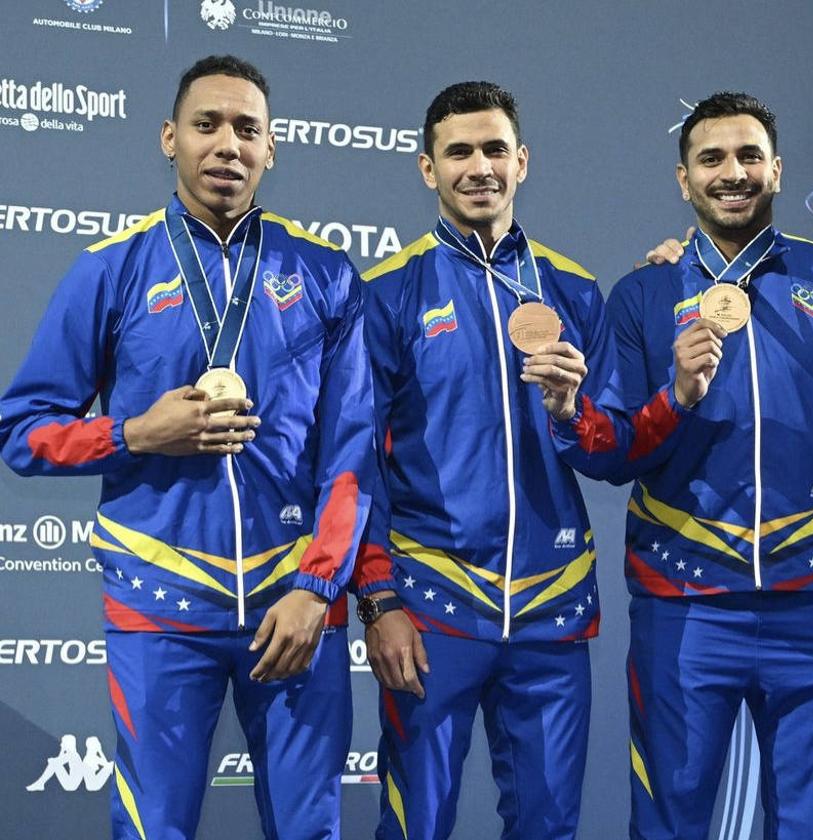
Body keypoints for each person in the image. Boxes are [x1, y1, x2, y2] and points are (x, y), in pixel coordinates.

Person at [0, 55, 375, 839]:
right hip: (159, 605)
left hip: (293, 602)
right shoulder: (109, 268)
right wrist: (136, 433)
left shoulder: (326, 273)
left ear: (273, 148)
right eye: (206, 125)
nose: (227, 144)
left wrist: (318, 588)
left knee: (310, 829)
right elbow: (24, 432)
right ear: (170, 138)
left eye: (248, 129)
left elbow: (352, 453)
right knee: (153, 828)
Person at [350, 81, 687, 840]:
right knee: (416, 825)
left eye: (495, 148)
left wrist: (575, 411)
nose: (479, 166)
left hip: (551, 608)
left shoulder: (574, 289)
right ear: (426, 169)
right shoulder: (388, 292)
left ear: (523, 161)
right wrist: (379, 603)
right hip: (432, 604)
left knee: (547, 826)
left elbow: (616, 453)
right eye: (458, 151)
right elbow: (355, 466)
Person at [568, 91, 813, 839]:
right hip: (684, 608)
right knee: (667, 823)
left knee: (808, 828)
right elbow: (614, 451)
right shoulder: (645, 294)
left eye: (749, 156)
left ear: (776, 170)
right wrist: (675, 397)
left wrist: (811, 490)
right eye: (711, 158)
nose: (733, 172)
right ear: (684, 180)